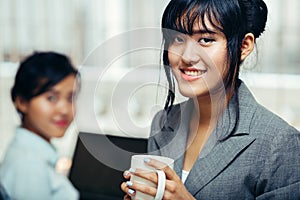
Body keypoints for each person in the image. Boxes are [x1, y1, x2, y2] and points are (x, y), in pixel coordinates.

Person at [121, 0, 300, 199]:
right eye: (178, 39)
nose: (187, 57)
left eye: (205, 40)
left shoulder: (280, 143)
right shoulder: (163, 121)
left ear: (244, 46)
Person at [0, 52, 80, 200]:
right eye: (51, 98)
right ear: (22, 102)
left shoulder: (28, 152)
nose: (65, 110)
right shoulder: (29, 166)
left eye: (71, 98)